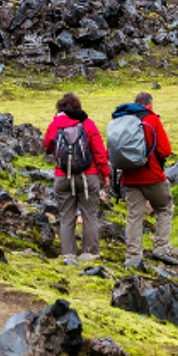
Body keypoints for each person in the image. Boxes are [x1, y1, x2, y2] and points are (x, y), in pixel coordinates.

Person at [112, 91, 177, 268]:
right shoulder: (152, 120)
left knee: (134, 215)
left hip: (129, 176)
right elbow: (165, 150)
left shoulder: (122, 122)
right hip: (152, 175)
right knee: (165, 207)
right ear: (149, 105)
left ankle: (133, 256)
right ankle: (161, 248)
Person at [44, 92, 110, 265]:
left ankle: (68, 255)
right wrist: (105, 174)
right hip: (88, 176)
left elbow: (48, 145)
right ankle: (90, 254)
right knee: (90, 215)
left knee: (66, 216)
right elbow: (99, 151)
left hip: (63, 175)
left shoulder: (55, 124)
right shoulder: (87, 124)